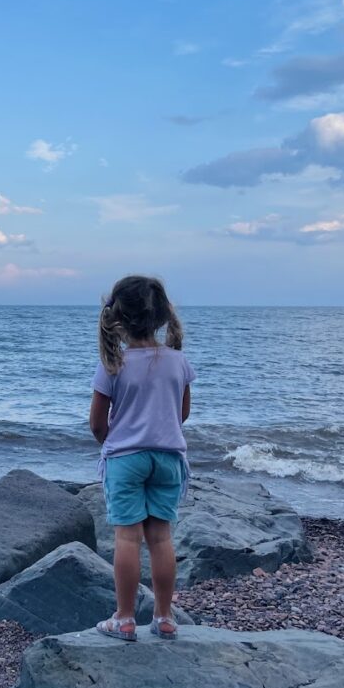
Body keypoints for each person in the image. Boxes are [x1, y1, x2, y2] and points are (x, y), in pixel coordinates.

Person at [88, 275, 194, 641]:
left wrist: (112, 442)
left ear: (118, 318)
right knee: (161, 538)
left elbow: (97, 423)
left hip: (126, 459)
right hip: (168, 458)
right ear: (163, 316)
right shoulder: (178, 361)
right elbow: (182, 414)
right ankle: (165, 617)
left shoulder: (113, 364)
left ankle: (125, 618)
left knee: (127, 539)